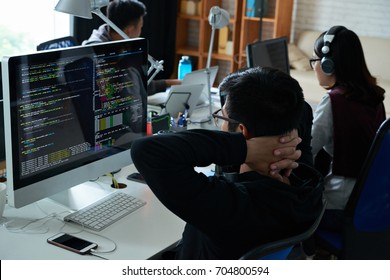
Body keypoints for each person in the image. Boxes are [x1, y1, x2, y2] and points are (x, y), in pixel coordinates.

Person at [131, 67, 324, 259]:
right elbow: (304, 110)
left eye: (221, 117)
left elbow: (146, 151)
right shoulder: (307, 182)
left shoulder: (230, 204)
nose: (220, 125)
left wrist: (245, 149)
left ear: (241, 131)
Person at [309, 26, 386, 233]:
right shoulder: (375, 96)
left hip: (339, 207)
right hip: (371, 203)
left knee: (286, 208)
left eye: (315, 60)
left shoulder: (333, 101)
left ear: (327, 64)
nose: (314, 66)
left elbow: (308, 149)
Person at [82, 0, 180, 95]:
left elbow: (138, 84)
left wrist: (172, 83)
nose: (140, 32)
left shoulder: (117, 43)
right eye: (140, 27)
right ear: (129, 30)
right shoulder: (98, 54)